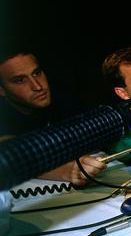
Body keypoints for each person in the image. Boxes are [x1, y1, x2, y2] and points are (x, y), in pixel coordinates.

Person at [0, 50, 106, 186]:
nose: (37, 86)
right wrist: (68, 171)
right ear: (1, 90)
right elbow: (13, 157)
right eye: (20, 80)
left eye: (37, 73)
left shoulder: (62, 94)